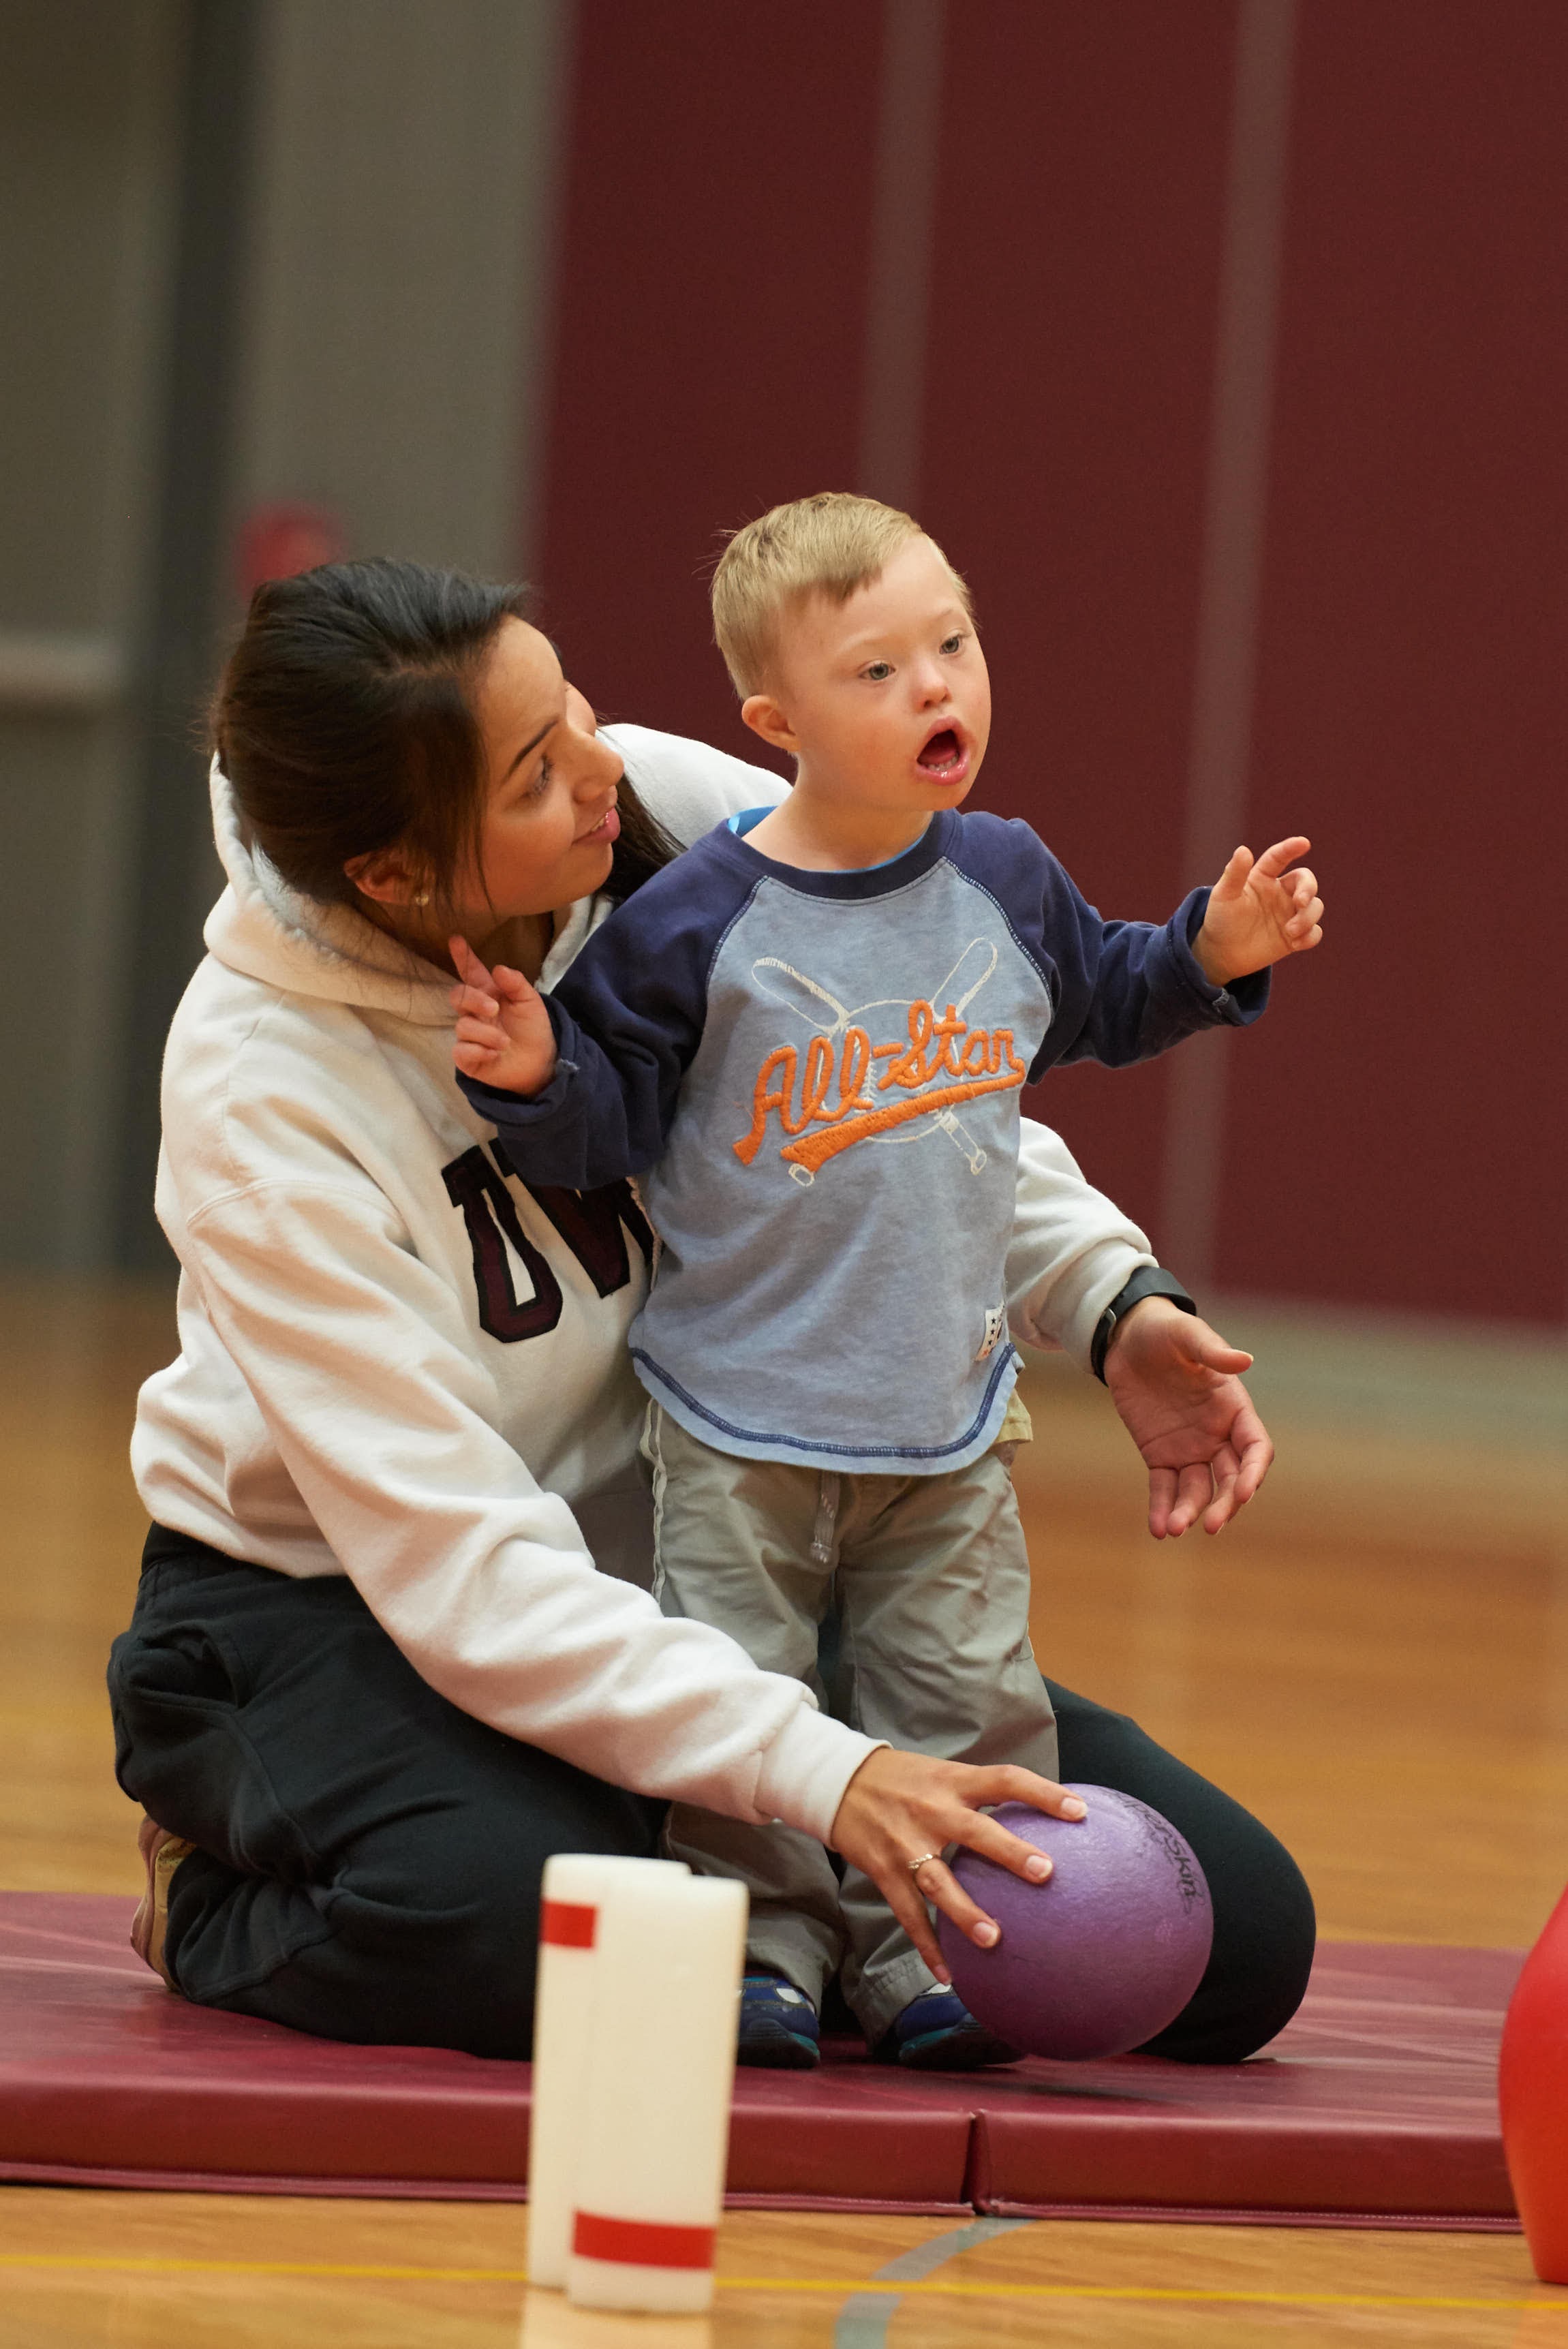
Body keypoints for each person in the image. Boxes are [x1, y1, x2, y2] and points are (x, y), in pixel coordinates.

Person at [110, 555, 1315, 2071]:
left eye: (577, 708)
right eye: (537, 771)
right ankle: (212, 1890)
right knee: (548, 1935)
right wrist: (825, 1772)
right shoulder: (259, 1092)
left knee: (1221, 1937)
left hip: (715, 1548)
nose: (603, 766)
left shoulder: (666, 815)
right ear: (395, 876)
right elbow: (463, 1570)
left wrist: (1108, 1297)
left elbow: (915, 1086)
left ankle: (685, 1829)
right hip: (332, 1611)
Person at [448, 495, 1323, 2068]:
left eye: (952, 645)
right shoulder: (695, 919)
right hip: (734, 1431)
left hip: (945, 1432)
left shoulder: (1000, 876)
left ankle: (928, 1959)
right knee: (745, 1701)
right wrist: (536, 1073)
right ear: (774, 721)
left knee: (969, 1708)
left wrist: (1211, 952)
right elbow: (617, 1119)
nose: (936, 688)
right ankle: (758, 1953)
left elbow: (1105, 995)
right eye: (878, 669)